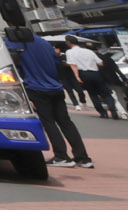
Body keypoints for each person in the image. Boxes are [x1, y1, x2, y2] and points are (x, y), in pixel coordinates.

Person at [5, 21, 91, 166]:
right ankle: (82, 157)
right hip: (55, 86)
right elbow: (56, 64)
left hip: (36, 86)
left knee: (48, 122)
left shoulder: (13, 43)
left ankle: (61, 155)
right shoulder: (43, 43)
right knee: (66, 122)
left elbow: (13, 64)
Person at [65, 39, 120, 118]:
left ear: (69, 43)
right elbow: (100, 63)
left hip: (84, 74)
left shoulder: (69, 52)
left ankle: (103, 112)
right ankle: (111, 106)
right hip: (95, 73)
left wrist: (77, 76)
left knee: (93, 93)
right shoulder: (89, 51)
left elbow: (73, 65)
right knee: (105, 92)